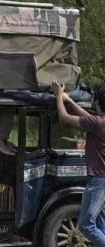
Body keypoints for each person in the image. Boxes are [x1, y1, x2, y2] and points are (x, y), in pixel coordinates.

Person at [52, 81, 105, 246]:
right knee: (100, 222)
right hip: (102, 180)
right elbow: (86, 118)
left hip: (99, 181)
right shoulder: (98, 123)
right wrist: (70, 100)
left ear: (96, 102)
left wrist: (59, 95)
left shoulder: (97, 123)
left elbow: (64, 117)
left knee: (86, 225)